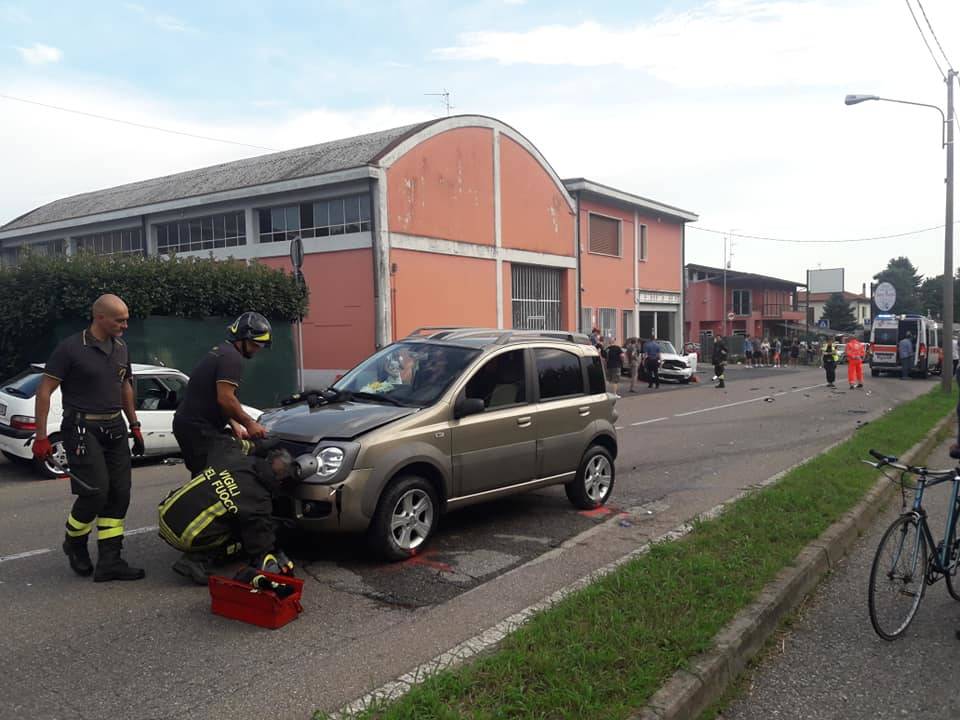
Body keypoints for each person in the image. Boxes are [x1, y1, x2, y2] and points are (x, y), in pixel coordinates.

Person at [32, 294, 146, 581]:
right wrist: (41, 436)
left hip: (116, 428)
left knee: (119, 493)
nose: (125, 325)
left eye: (127, 319)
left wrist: (134, 424)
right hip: (82, 430)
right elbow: (44, 390)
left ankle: (110, 561)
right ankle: (74, 543)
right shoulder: (70, 348)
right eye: (120, 320)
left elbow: (125, 387)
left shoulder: (121, 347)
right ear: (100, 318)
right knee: (95, 493)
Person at [158, 444, 295, 585]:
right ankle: (195, 560)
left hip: (166, 512)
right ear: (279, 480)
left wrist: (258, 443)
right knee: (241, 536)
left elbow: (224, 442)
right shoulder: (259, 499)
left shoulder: (236, 457)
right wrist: (273, 548)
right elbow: (259, 541)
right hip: (183, 535)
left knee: (227, 510)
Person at [173, 311, 271, 476]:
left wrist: (234, 424)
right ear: (242, 339)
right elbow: (226, 398)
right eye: (255, 344)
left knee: (207, 476)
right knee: (212, 479)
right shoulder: (232, 359)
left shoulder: (223, 351)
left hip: (190, 425)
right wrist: (250, 423)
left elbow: (215, 396)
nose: (257, 349)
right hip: (198, 429)